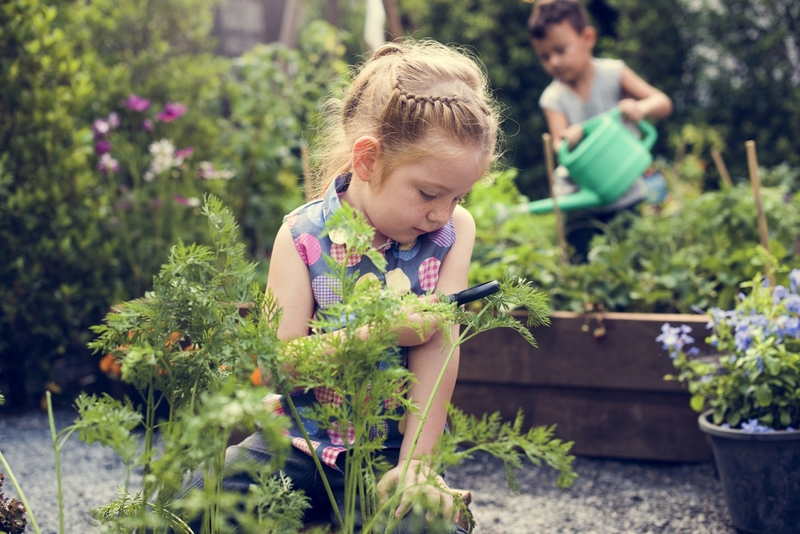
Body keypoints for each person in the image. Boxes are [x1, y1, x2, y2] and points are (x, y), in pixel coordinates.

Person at [178, 39, 501, 533]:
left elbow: (439, 353)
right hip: (297, 442)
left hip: (387, 452)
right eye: (429, 194)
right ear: (368, 161)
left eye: (459, 195)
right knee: (192, 507)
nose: (442, 212)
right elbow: (282, 362)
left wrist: (417, 465)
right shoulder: (302, 235)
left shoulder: (453, 232)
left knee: (426, 524)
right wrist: (381, 332)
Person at [528, 0, 673, 263]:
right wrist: (568, 141)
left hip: (625, 190)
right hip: (580, 197)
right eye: (545, 57)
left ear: (588, 38)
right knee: (578, 262)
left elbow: (662, 102)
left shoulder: (614, 73)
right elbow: (559, 146)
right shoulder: (553, 97)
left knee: (633, 261)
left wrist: (640, 107)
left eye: (561, 50)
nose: (554, 62)